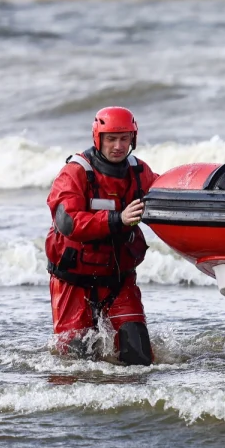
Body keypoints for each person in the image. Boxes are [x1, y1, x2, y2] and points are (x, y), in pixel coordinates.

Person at [45, 106, 159, 365]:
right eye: (111, 139)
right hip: (74, 282)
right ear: (98, 138)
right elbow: (67, 222)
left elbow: (165, 192)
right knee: (76, 363)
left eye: (124, 138)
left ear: (133, 138)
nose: (118, 146)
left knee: (139, 359)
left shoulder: (139, 172)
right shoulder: (75, 173)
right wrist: (118, 219)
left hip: (119, 279)